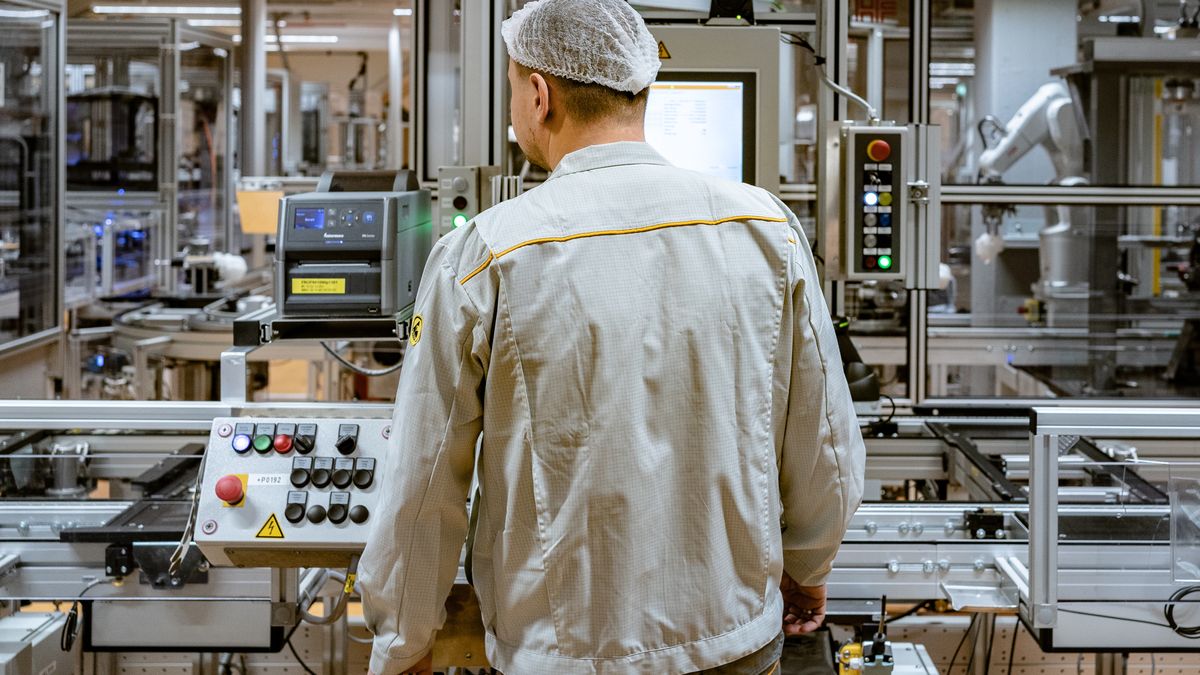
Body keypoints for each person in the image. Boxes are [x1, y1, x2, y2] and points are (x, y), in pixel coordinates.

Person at [357, 0, 865, 673]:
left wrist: (403, 639)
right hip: (733, 640)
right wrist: (809, 562)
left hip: (563, 655)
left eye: (514, 88)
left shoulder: (487, 252)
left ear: (538, 96)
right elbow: (825, 440)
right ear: (643, 88)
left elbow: (424, 479)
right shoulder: (764, 230)